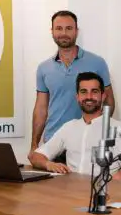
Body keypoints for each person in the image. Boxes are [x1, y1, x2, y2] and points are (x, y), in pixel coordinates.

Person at [31, 11, 114, 153]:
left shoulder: (97, 63)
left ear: (76, 31)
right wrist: (34, 144)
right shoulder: (44, 68)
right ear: (52, 32)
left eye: (69, 28)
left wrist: (98, 130)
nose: (64, 33)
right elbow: (41, 109)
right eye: (59, 28)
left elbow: (109, 101)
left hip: (86, 143)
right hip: (53, 142)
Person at [30, 72, 121, 179]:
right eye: (84, 92)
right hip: (71, 187)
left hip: (105, 187)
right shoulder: (68, 127)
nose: (89, 97)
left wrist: (110, 182)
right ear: (77, 97)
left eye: (94, 91)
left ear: (103, 96)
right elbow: (35, 156)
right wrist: (49, 164)